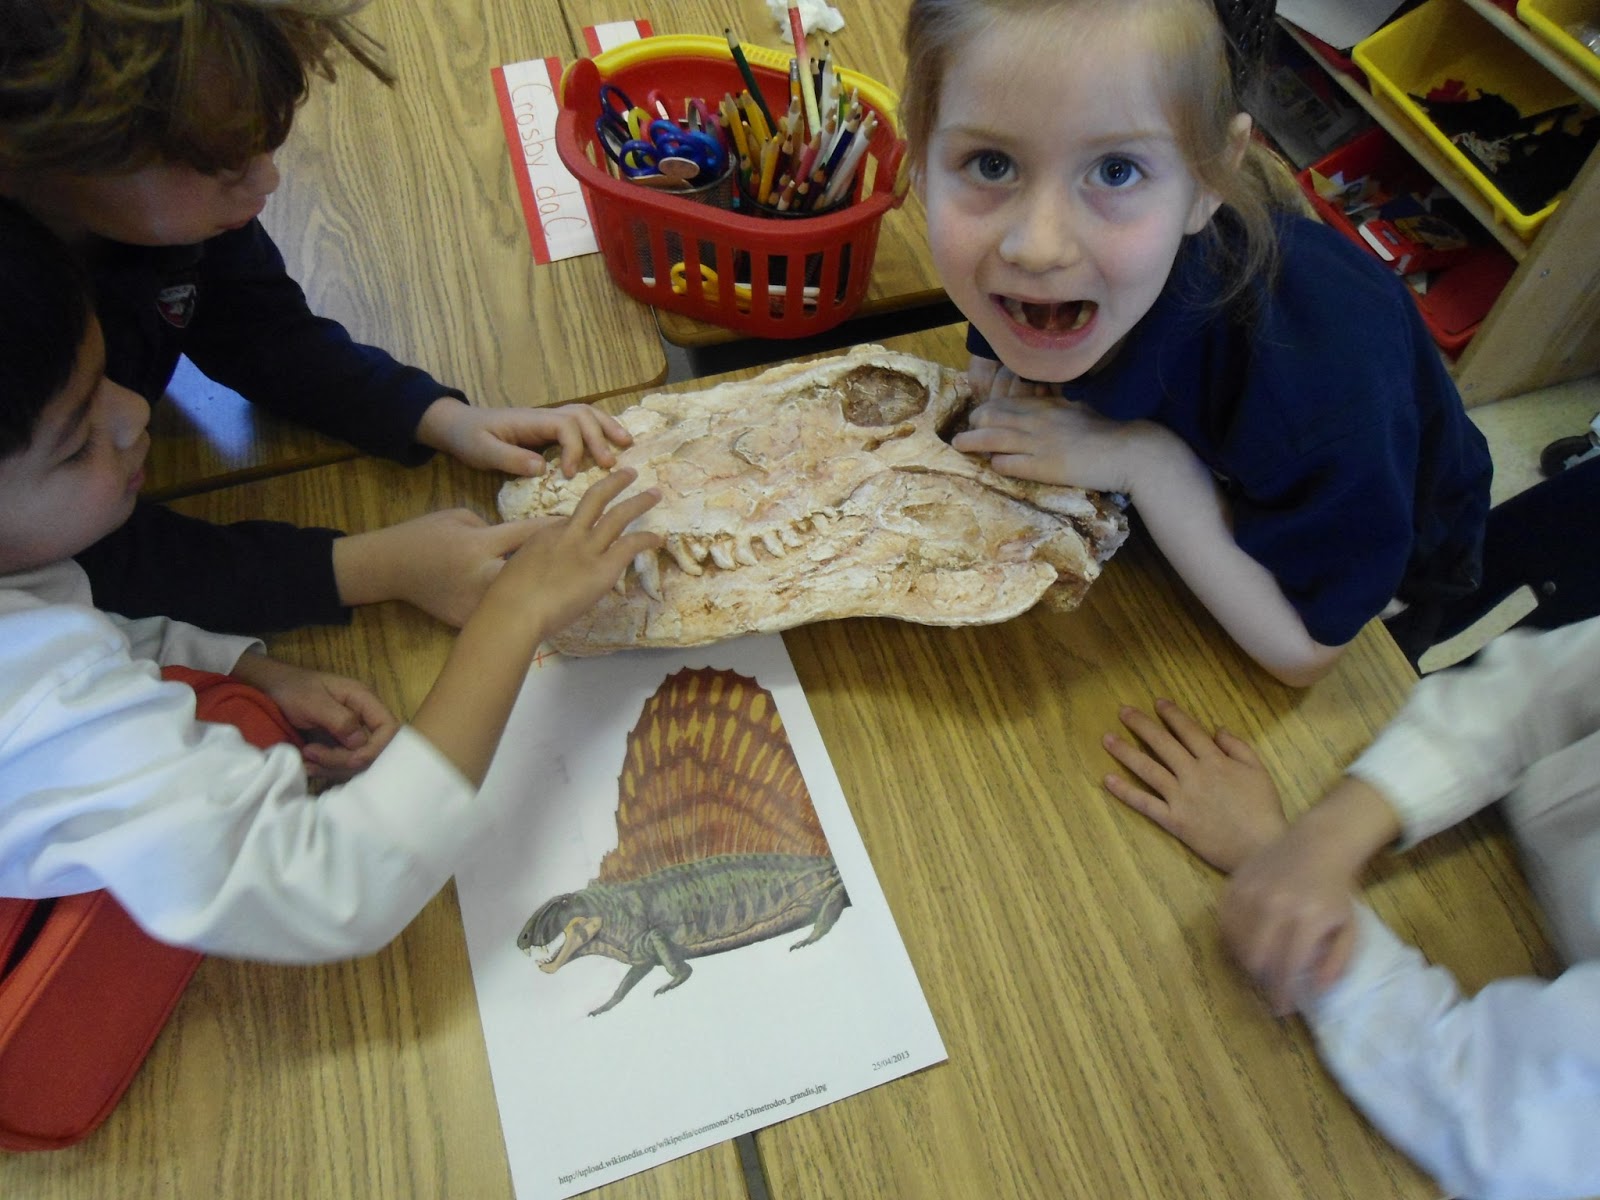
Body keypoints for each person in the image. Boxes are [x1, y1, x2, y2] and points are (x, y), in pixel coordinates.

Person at [0, 196, 664, 959]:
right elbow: (325, 887)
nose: (133, 413)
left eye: (105, 377)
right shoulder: (24, 699)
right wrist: (514, 614)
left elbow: (80, 619)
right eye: (76, 442)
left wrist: (244, 665)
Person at [898, 0, 1492, 686]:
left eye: (1116, 170)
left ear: (1208, 177)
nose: (1037, 247)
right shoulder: (1060, 285)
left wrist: (1150, 464)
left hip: (1370, 566)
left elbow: (1307, 650)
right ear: (920, 153)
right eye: (992, 163)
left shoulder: (1322, 391)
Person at [0, 0, 633, 635]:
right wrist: (365, 567)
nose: (268, 180)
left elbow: (262, 332)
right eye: (222, 168)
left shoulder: (165, 212)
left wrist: (436, 417)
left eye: (265, 145)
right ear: (31, 152)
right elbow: (73, 568)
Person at [1098, 624, 1600, 1200]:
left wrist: (1273, 863)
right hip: (1499, 859)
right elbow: (1539, 689)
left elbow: (1505, 1127)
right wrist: (1335, 830)